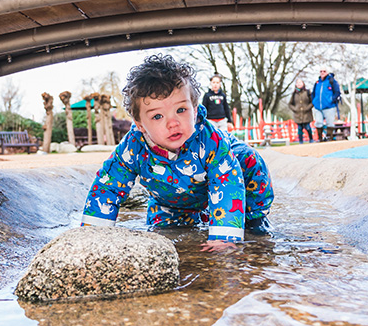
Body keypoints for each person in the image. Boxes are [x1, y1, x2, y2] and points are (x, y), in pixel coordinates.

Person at [82, 54, 274, 252]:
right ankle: (184, 218)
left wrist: (224, 238)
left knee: (247, 158)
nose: (172, 122)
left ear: (195, 109)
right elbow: (108, 186)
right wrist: (92, 237)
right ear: (140, 125)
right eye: (157, 116)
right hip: (171, 198)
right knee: (166, 233)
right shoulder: (133, 148)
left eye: (181, 110)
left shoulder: (210, 140)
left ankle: (254, 219)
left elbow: (227, 183)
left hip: (228, 178)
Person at [310, 67, 341, 142]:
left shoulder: (332, 81)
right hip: (318, 107)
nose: (322, 73)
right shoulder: (317, 83)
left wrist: (331, 100)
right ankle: (320, 138)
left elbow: (337, 92)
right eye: (321, 71)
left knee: (329, 123)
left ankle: (329, 137)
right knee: (318, 122)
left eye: (324, 71)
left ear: (327, 72)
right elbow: (313, 93)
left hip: (329, 106)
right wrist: (314, 101)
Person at [288, 79, 314, 144]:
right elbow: (290, 104)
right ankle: (300, 141)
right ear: (296, 85)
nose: (299, 84)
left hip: (306, 114)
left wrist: (308, 108)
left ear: (303, 83)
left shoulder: (307, 92)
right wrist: (295, 109)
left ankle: (311, 139)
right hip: (298, 115)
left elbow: (312, 102)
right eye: (297, 83)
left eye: (300, 82)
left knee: (308, 127)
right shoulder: (294, 94)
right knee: (299, 129)